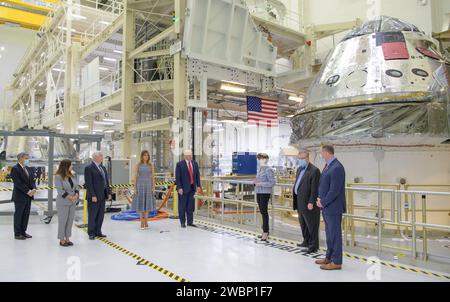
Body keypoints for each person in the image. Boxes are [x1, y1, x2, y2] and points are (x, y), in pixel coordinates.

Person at [316, 145, 346, 270]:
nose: (321, 155)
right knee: (329, 234)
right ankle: (329, 257)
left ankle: (337, 261)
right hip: (327, 207)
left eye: (321, 152)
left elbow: (334, 190)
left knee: (335, 235)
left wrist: (323, 201)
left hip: (333, 207)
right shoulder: (328, 166)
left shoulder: (337, 167)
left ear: (326, 152)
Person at [293, 150, 321, 253]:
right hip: (300, 202)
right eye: (299, 158)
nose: (300, 160)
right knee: (303, 223)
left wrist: (311, 202)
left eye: (303, 158)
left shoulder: (314, 170)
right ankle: (306, 241)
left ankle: (313, 246)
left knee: (312, 225)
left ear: (308, 158)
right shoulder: (299, 169)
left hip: (309, 203)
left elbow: (315, 188)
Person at [84, 151, 111, 240]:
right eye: (101, 156)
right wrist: (93, 195)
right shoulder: (89, 168)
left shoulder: (102, 167)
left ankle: (98, 231)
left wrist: (109, 193)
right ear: (96, 157)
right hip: (94, 196)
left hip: (103, 195)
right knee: (92, 215)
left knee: (100, 215)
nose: (102, 158)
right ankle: (91, 233)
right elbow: (89, 183)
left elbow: (106, 181)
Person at [11, 153, 36, 240]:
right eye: (26, 158)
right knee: (19, 215)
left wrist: (34, 189)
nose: (27, 160)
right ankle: (17, 233)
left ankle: (23, 232)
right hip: (20, 197)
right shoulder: (15, 169)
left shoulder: (28, 168)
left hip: (28, 196)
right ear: (21, 158)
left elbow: (32, 180)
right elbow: (18, 183)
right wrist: (28, 191)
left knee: (26, 215)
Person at [55, 160, 79, 247]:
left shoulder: (72, 175)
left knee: (70, 221)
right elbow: (60, 190)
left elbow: (76, 187)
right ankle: (62, 240)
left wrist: (76, 195)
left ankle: (67, 238)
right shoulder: (58, 177)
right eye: (71, 165)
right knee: (63, 221)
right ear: (66, 166)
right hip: (63, 202)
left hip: (72, 202)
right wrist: (70, 197)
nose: (72, 166)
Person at [175, 150, 201, 228]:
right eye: (188, 155)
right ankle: (182, 222)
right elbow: (177, 177)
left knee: (190, 206)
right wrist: (179, 187)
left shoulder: (194, 163)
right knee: (182, 206)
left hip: (192, 188)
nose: (190, 157)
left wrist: (198, 185)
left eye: (191, 155)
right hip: (183, 189)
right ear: (185, 156)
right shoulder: (180, 164)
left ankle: (190, 222)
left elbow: (197, 175)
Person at [132, 150, 156, 230]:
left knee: (147, 203)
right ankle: (142, 221)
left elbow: (153, 176)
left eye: (147, 155)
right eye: (144, 155)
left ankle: (146, 221)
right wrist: (134, 187)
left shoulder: (151, 165)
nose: (146, 156)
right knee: (141, 203)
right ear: (142, 156)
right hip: (140, 185)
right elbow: (135, 176)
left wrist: (153, 187)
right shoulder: (138, 165)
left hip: (148, 185)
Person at [254, 153, 275, 241]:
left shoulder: (268, 169)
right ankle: (264, 231)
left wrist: (261, 183)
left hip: (265, 193)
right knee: (262, 212)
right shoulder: (260, 169)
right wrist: (255, 182)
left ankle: (266, 232)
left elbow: (272, 182)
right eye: (258, 159)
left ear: (265, 159)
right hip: (259, 192)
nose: (259, 161)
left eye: (260, 159)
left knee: (264, 212)